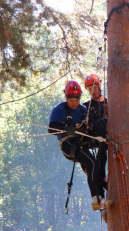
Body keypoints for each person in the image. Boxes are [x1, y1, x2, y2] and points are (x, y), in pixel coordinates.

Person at [48, 77, 108, 216]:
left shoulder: (82, 110)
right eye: (71, 101)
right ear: (66, 97)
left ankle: (102, 180)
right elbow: (51, 129)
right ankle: (97, 197)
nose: (74, 103)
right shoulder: (59, 110)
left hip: (82, 141)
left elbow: (89, 127)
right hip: (69, 144)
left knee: (103, 143)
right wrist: (66, 127)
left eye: (76, 100)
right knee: (91, 163)